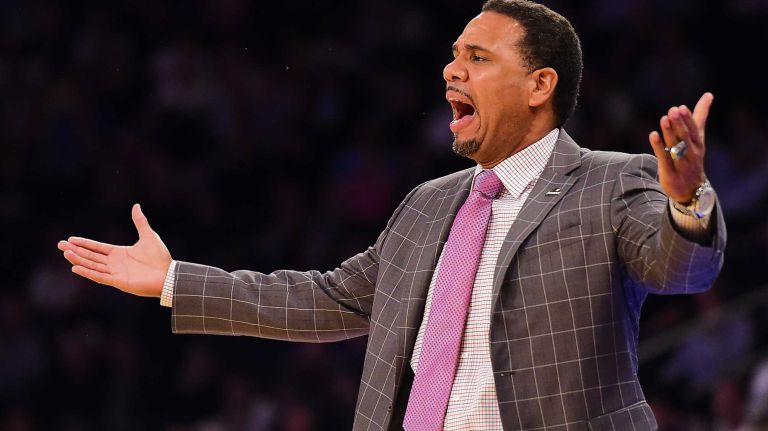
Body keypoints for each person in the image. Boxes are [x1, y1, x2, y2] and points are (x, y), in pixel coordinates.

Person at [57, 1, 726, 430]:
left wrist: (687, 197)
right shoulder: (429, 203)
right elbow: (327, 298)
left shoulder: (612, 181)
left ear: (539, 85)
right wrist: (175, 279)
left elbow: (681, 267)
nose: (450, 69)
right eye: (454, 53)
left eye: (477, 57)